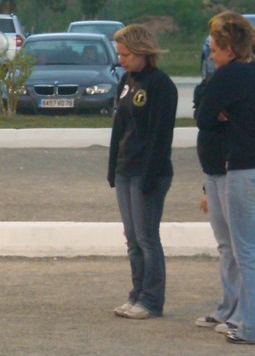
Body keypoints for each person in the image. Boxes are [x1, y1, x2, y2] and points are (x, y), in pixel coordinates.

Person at [197, 11, 255, 345]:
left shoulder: (227, 76)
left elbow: (204, 118)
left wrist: (224, 115)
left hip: (245, 169)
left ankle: (254, 327)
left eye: (214, 49)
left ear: (228, 48)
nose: (212, 56)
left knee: (247, 254)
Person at [107, 24, 178, 319]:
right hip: (125, 169)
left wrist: (149, 176)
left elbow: (161, 136)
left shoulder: (161, 85)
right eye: (119, 54)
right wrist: (112, 166)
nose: (121, 60)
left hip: (148, 173)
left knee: (147, 238)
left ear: (142, 51)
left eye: (125, 54)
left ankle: (152, 300)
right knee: (132, 239)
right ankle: (136, 293)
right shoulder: (126, 81)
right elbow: (119, 128)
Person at [192, 73, 242, 334]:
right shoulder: (208, 86)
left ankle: (243, 311)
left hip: (232, 173)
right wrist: (205, 188)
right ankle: (227, 307)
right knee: (225, 246)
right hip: (212, 173)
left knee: (240, 247)